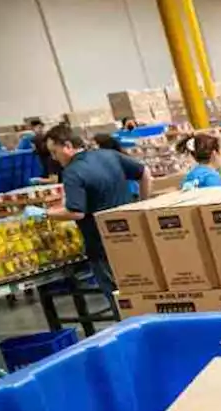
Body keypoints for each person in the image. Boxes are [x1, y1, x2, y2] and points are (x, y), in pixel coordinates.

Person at [36, 124, 151, 292]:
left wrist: (46, 214)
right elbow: (145, 173)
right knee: (144, 288)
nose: (53, 158)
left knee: (119, 295)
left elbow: (75, 212)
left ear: (67, 146)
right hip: (131, 235)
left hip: (102, 245)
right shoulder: (109, 155)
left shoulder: (73, 172)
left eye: (54, 152)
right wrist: (142, 204)